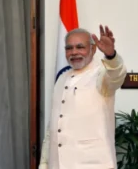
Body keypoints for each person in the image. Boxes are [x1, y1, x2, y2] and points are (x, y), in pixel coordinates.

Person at [39, 25, 127, 169]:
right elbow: (53, 127)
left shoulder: (101, 74)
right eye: (69, 48)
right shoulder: (62, 79)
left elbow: (116, 76)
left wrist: (111, 56)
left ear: (93, 49)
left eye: (80, 47)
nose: (74, 52)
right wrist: (44, 163)